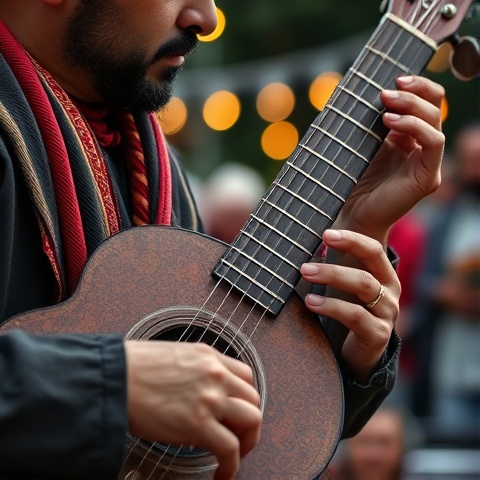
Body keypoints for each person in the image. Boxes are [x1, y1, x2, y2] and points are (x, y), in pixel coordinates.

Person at [0, 1, 445, 479]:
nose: (206, 19)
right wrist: (113, 385)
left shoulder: (149, 157)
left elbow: (248, 442)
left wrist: (356, 234)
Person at [411, 123, 480, 435]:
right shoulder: (442, 222)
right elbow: (421, 282)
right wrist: (445, 293)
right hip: (452, 370)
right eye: (469, 160)